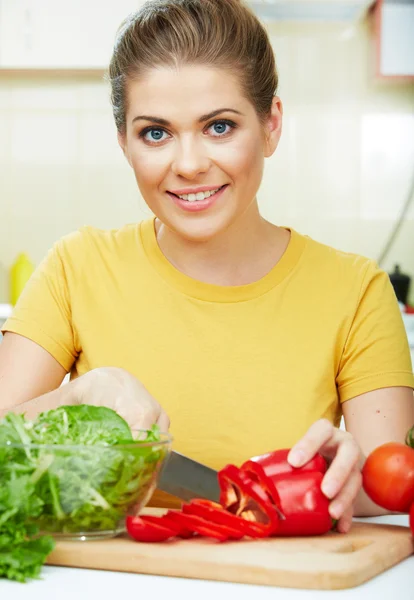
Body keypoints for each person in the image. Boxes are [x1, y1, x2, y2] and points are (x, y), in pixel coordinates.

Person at [0, 0, 413, 533]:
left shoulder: (357, 291)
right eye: (155, 133)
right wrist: (72, 397)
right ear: (124, 142)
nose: (190, 163)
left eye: (219, 127)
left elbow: (390, 487)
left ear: (271, 126)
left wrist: (345, 476)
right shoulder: (75, 268)